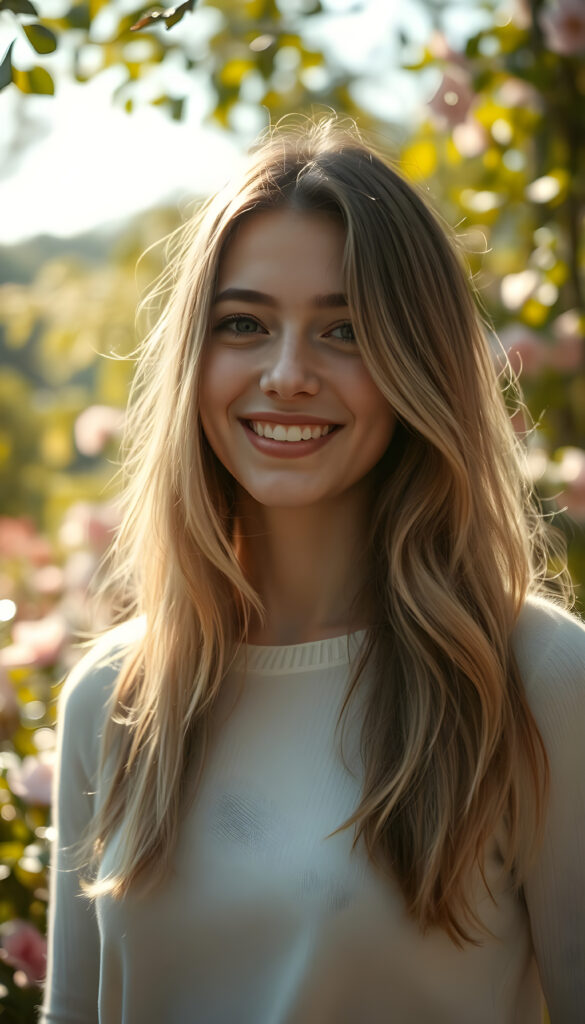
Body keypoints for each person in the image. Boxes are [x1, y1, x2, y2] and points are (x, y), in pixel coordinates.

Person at [40, 116, 585, 1024]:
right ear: (194, 360)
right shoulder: (113, 696)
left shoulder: (535, 678)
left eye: (345, 330)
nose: (287, 374)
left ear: (420, 364)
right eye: (244, 324)